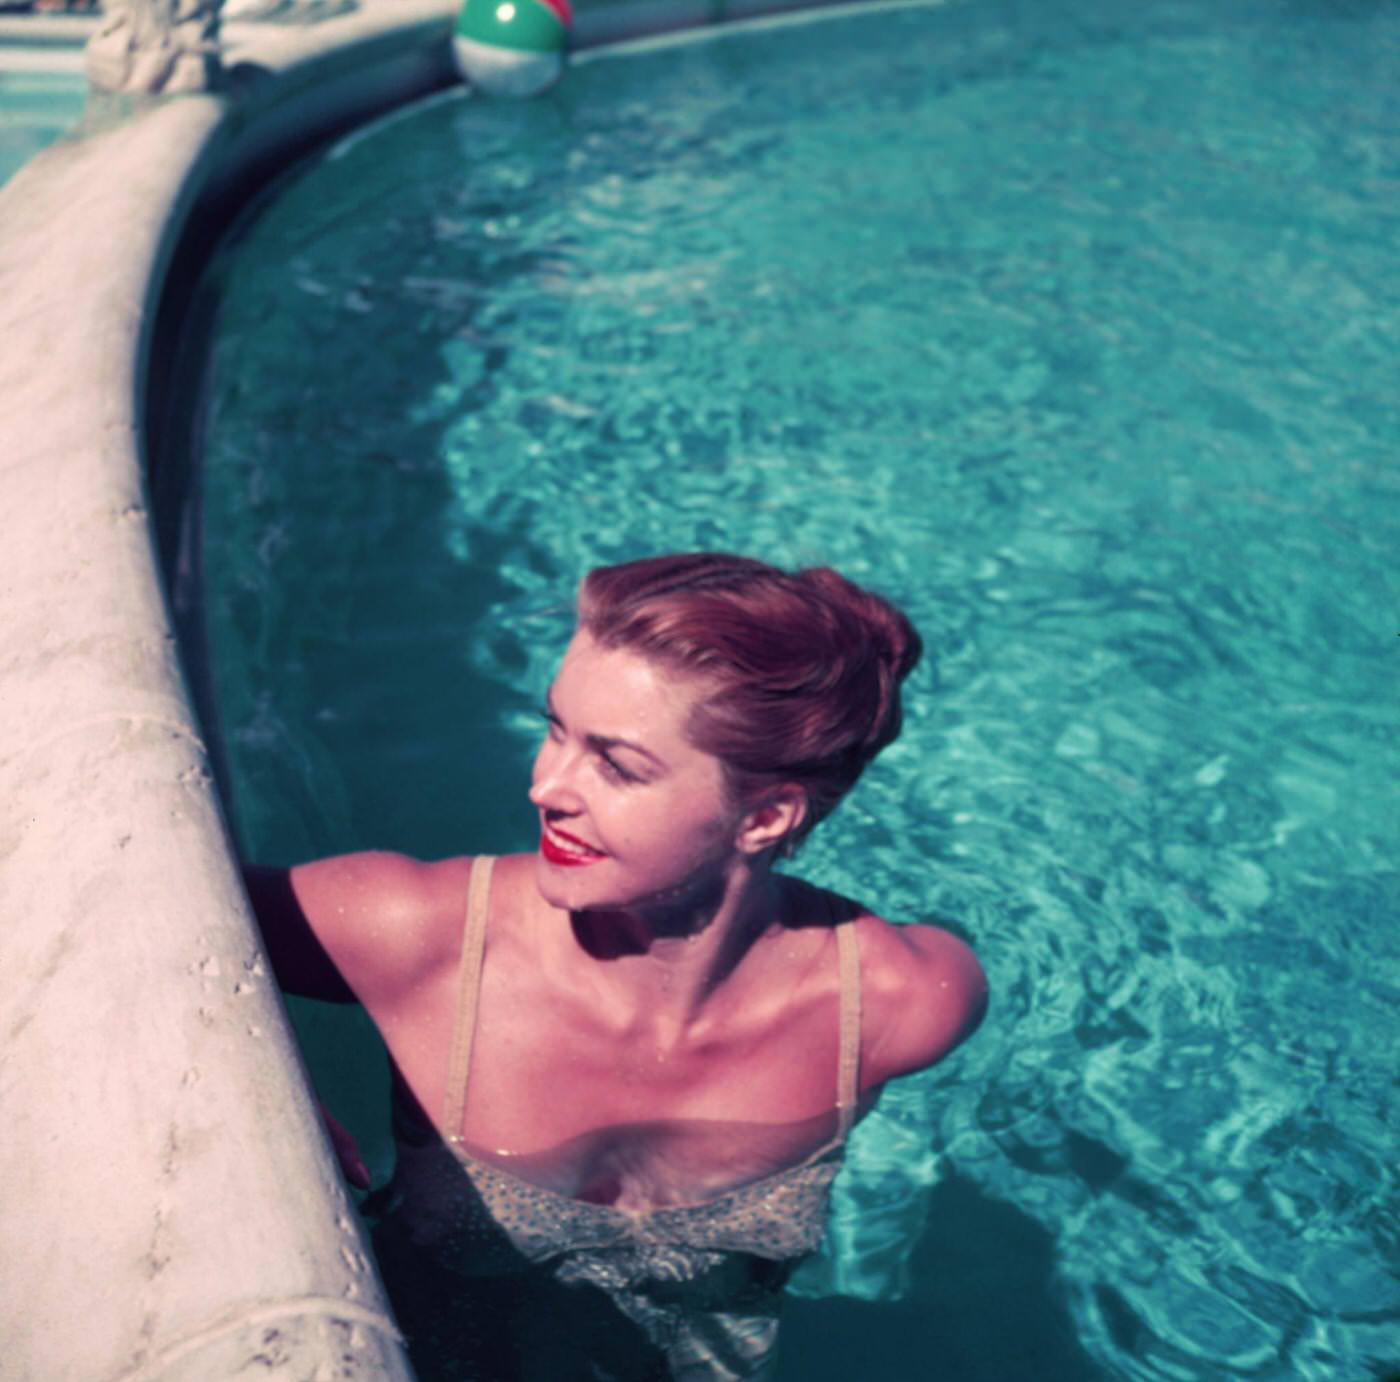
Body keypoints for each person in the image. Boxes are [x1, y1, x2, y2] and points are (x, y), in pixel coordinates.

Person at [244, 552, 987, 1382]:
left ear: (766, 816)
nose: (546, 786)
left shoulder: (901, 1005)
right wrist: (250, 1081)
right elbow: (124, 889)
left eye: (617, 765)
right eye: (555, 729)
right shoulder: (419, 936)